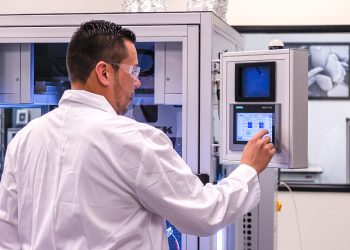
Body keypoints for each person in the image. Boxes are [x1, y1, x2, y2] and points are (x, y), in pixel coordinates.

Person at [0, 20, 276, 250]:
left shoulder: (24, 140)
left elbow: (7, 237)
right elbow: (204, 213)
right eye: (133, 71)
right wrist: (248, 169)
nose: (137, 81)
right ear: (104, 72)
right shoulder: (133, 139)